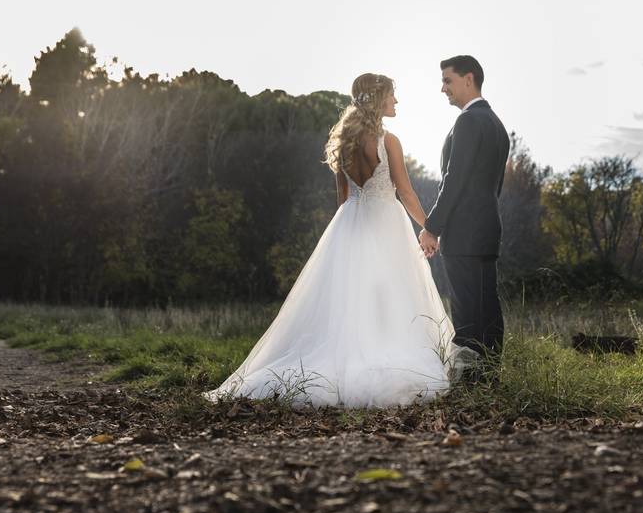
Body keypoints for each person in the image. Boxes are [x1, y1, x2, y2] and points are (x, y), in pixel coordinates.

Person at [205, 73, 465, 407]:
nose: (396, 101)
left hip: (349, 226)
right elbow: (405, 191)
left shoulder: (343, 143)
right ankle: (382, 359)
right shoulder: (389, 141)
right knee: (391, 297)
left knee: (351, 301)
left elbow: (343, 200)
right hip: (386, 224)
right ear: (377, 99)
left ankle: (350, 357)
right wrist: (430, 228)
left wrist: (346, 235)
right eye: (391, 95)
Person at [418, 55, 510, 368]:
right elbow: (492, 186)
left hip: (464, 232)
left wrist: (432, 227)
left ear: (468, 79)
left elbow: (453, 180)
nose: (443, 88)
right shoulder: (496, 124)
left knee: (468, 310)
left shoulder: (468, 121)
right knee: (488, 306)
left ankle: (471, 381)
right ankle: (491, 374)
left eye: (448, 80)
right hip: (486, 228)